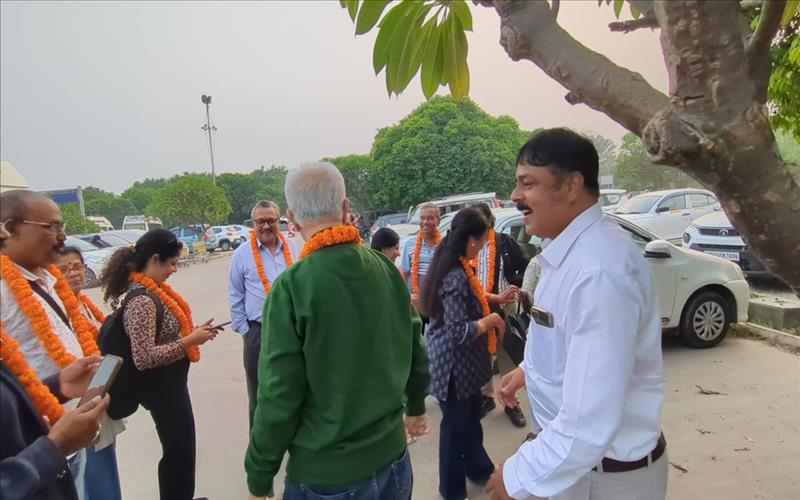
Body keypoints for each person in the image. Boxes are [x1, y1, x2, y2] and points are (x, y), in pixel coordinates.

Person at [484, 129, 666, 500]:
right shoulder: (566, 253)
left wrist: (517, 475)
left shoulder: (599, 271)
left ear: (570, 187)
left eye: (528, 183)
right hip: (579, 467)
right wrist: (529, 371)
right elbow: (564, 339)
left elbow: (589, 421)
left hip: (606, 478)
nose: (516, 196)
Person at [245, 162, 430, 500]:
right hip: (393, 462)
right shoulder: (385, 269)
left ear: (291, 218)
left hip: (326, 478)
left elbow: (278, 396)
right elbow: (415, 346)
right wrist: (416, 404)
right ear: (346, 208)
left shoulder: (291, 288)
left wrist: (260, 473)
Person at [100, 229, 218, 500]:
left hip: (171, 386)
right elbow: (144, 358)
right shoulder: (142, 300)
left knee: (182, 450)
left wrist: (193, 333)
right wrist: (188, 341)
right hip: (161, 390)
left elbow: (161, 337)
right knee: (179, 451)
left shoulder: (154, 293)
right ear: (155, 259)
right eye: (172, 263)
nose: (175, 269)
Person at [0, 190, 101, 495]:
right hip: (29, 451)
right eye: (51, 227)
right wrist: (52, 447)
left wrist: (56, 386)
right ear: (9, 228)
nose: (62, 236)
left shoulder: (48, 279)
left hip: (64, 424)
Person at [419, 207, 507, 500]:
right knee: (455, 432)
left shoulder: (455, 264)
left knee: (470, 423)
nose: (482, 248)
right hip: (453, 370)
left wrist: (494, 301)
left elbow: (477, 297)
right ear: (471, 240)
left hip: (464, 368)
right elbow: (458, 331)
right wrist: (491, 320)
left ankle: (478, 468)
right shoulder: (456, 275)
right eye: (482, 242)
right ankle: (452, 490)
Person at [56, 247, 124, 500]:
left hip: (98, 397)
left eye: (77, 266)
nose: (73, 273)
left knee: (105, 467)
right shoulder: (57, 309)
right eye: (64, 269)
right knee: (90, 478)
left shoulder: (83, 304)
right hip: (75, 405)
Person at [228, 200, 300, 428]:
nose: (266, 226)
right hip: (258, 331)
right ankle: (261, 449)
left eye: (271, 220)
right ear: (253, 223)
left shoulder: (294, 248)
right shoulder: (241, 254)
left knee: (295, 386)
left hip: (293, 329)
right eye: (261, 221)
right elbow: (235, 295)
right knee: (259, 392)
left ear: (279, 220)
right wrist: (246, 332)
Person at [471, 203, 528, 428]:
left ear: (490, 221)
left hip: (503, 306)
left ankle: (511, 401)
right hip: (479, 305)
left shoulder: (504, 241)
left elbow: (524, 266)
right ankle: (487, 398)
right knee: (483, 353)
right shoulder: (470, 245)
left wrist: (512, 287)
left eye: (482, 221)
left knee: (506, 354)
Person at [401, 203, 441, 319]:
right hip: (416, 304)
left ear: (438, 221)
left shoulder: (445, 244)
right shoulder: (410, 244)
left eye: (430, 218)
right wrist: (404, 298)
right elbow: (405, 273)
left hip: (438, 302)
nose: (425, 222)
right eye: (422, 218)